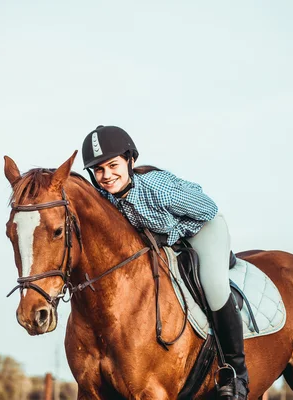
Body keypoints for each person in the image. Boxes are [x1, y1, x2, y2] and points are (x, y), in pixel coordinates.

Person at [81, 125, 249, 400]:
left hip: (202, 228)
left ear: (129, 161)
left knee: (214, 285)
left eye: (113, 165)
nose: (107, 175)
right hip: (162, 242)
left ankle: (237, 375)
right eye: (99, 170)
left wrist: (168, 235)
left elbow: (207, 209)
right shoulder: (106, 198)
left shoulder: (157, 188)